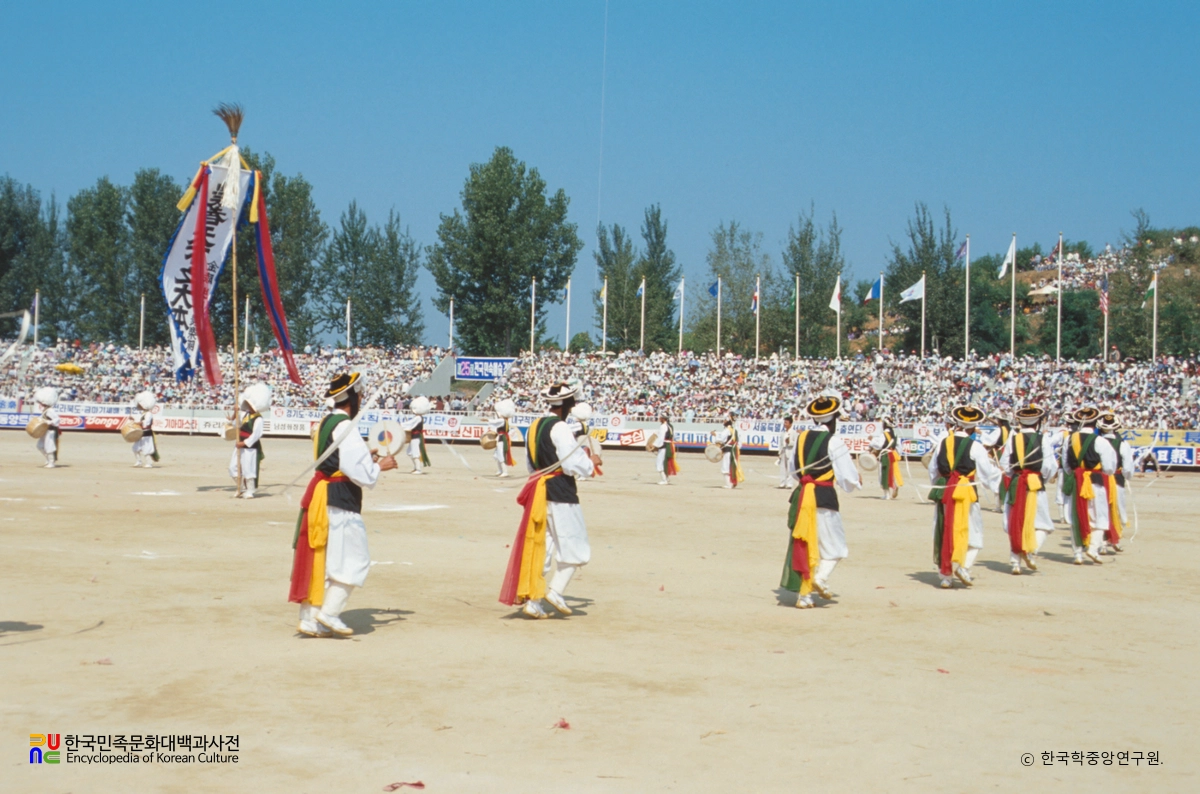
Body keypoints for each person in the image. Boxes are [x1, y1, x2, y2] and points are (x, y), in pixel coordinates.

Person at [289, 372, 397, 637]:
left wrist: (364, 455)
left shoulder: (327, 420)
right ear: (353, 397)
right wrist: (378, 466)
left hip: (321, 496)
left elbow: (339, 457)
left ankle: (309, 618)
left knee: (322, 558)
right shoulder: (346, 426)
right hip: (339, 499)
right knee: (355, 559)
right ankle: (330, 612)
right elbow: (360, 472)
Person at [499, 381, 596, 619]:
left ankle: (534, 600)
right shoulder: (561, 428)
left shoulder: (533, 426)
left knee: (543, 546)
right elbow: (571, 462)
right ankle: (556, 591)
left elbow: (530, 463)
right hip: (560, 491)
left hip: (539, 489)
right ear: (569, 405)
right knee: (575, 546)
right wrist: (591, 465)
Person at [781, 396, 862, 608]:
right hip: (823, 497)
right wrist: (855, 481)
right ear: (833, 419)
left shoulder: (800, 438)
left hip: (803, 496)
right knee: (836, 548)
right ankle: (820, 578)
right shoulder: (834, 441)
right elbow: (847, 478)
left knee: (805, 544)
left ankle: (804, 595)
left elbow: (794, 472)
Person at [928, 405, 1001, 589]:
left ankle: (945, 576)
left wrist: (939, 486)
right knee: (973, 531)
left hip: (945, 491)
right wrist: (997, 476)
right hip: (965, 491)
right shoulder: (976, 446)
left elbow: (933, 470)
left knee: (944, 529)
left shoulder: (943, 443)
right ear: (973, 427)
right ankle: (964, 566)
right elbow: (986, 474)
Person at [999, 406, 1058, 575]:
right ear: (1038, 422)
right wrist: (1041, 478)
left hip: (1017, 483)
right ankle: (1030, 551)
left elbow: (1005, 465)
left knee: (1015, 521)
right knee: (1043, 524)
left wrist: (1016, 475)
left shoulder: (1013, 438)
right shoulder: (1043, 439)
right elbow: (1049, 466)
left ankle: (1015, 562)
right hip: (1035, 483)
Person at [1061, 407, 1117, 565]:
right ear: (1096, 423)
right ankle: (1093, 548)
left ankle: (1077, 554)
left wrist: (1076, 472)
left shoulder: (1069, 439)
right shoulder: (1101, 441)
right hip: (1095, 482)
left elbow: (1065, 464)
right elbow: (1109, 468)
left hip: (1077, 481)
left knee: (1076, 516)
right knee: (1100, 517)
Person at [1097, 411, 1133, 553]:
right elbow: (1128, 467)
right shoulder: (1122, 444)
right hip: (1116, 479)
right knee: (1117, 509)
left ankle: (1104, 541)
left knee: (1101, 509)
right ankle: (1113, 539)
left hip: (1099, 479)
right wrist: (1126, 476)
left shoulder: (1097, 442)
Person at [229, 383, 270, 498]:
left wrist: (245, 443)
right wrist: (235, 413)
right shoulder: (245, 415)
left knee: (249, 468)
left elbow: (257, 434)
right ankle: (240, 487)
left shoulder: (258, 418)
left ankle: (250, 490)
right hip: (239, 443)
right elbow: (235, 424)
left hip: (249, 446)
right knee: (233, 467)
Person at [868, 417, 904, 499]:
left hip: (885, 455)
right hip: (892, 454)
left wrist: (872, 441)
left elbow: (879, 445)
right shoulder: (894, 434)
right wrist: (898, 454)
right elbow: (899, 446)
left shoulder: (884, 434)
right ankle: (893, 486)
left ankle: (887, 494)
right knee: (890, 472)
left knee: (883, 473)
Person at [402, 396, 432, 475]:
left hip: (416, 437)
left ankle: (418, 469)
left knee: (415, 452)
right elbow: (410, 424)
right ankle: (416, 467)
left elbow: (409, 424)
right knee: (409, 452)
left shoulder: (418, 418)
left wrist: (400, 425)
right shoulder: (418, 417)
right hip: (414, 437)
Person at [33, 387, 60, 468]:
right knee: (40, 446)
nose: (39, 405)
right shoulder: (45, 411)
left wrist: (50, 422)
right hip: (44, 431)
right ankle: (48, 459)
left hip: (50, 431)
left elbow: (57, 419)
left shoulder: (50, 411)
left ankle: (51, 462)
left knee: (49, 446)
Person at [712, 418, 744, 489]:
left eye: (724, 421)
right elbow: (740, 443)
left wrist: (715, 435)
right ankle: (733, 482)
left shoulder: (727, 430)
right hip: (734, 450)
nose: (723, 422)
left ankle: (728, 484)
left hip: (728, 450)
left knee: (725, 467)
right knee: (733, 466)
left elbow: (720, 440)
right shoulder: (735, 430)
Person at [131, 390, 160, 468]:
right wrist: (134, 420)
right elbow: (140, 422)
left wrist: (138, 423)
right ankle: (139, 461)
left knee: (147, 448)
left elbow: (146, 423)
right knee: (135, 448)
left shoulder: (148, 414)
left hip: (147, 433)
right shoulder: (143, 413)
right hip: (141, 433)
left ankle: (149, 463)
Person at [489, 398, 517, 478]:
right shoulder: (504, 420)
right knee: (497, 454)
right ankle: (500, 470)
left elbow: (493, 422)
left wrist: (487, 420)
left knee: (500, 454)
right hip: (501, 437)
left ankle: (505, 471)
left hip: (502, 438)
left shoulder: (502, 420)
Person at [652, 414, 679, 485]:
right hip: (669, 445)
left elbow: (661, 438)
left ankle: (664, 480)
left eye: (660, 417)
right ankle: (666, 478)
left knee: (659, 463)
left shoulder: (663, 426)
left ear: (663, 419)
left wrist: (656, 446)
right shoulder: (670, 426)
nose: (659, 419)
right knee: (665, 462)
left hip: (665, 446)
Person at [776, 415, 798, 489]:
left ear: (790, 424)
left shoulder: (794, 432)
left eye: (786, 423)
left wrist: (789, 442)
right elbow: (781, 444)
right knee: (782, 468)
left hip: (790, 451)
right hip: (784, 451)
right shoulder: (783, 433)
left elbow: (796, 443)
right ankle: (782, 483)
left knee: (789, 468)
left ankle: (789, 484)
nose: (785, 424)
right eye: (784, 422)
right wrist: (779, 452)